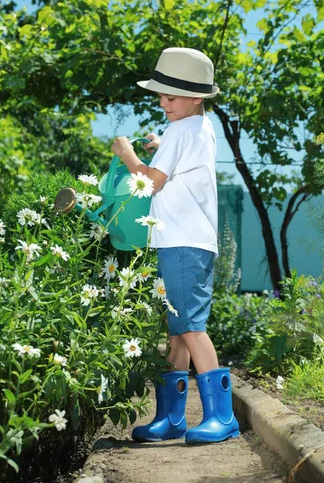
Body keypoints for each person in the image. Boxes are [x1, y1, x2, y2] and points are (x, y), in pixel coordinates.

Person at [111, 47, 239, 444]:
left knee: (191, 328)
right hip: (182, 241)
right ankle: (171, 419)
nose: (162, 103)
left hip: (184, 242)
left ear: (196, 97)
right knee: (176, 331)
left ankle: (224, 417)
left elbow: (152, 182)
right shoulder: (198, 127)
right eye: (161, 95)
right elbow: (174, 162)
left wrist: (129, 155)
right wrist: (156, 145)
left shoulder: (182, 130)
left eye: (170, 96)